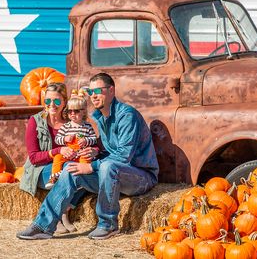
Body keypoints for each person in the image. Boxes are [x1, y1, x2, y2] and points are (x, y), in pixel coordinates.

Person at [17, 73, 159, 240]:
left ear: (111, 90)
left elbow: (124, 156)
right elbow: (109, 152)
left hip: (140, 177)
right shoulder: (100, 118)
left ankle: (108, 225)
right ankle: (43, 225)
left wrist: (92, 165)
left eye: (98, 90)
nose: (93, 95)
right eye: (90, 92)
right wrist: (95, 152)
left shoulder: (127, 115)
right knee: (71, 170)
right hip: (114, 176)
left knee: (106, 166)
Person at [18, 82, 91, 233]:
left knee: (86, 170)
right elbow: (33, 158)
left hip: (66, 165)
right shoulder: (36, 121)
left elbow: (90, 138)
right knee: (69, 168)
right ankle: (56, 217)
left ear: (64, 101)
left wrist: (89, 151)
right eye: (48, 100)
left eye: (57, 101)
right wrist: (58, 151)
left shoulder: (73, 122)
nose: (52, 104)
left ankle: (64, 212)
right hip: (40, 171)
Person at [45, 89, 97, 189]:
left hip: (82, 153)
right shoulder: (66, 127)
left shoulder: (87, 126)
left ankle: (81, 180)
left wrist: (86, 140)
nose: (72, 113)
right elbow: (57, 139)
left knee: (85, 160)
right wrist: (65, 139)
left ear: (83, 112)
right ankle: (54, 177)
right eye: (70, 111)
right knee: (58, 158)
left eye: (76, 111)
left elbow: (93, 138)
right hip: (69, 153)